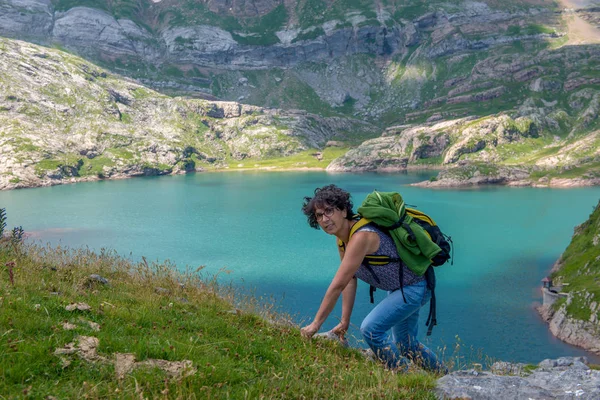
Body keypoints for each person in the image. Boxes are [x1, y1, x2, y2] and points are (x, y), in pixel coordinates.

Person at [300, 184, 444, 372]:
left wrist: (315, 325)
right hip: (402, 288)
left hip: (415, 287)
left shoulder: (361, 237)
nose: (325, 219)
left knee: (371, 329)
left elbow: (337, 285)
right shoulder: (343, 239)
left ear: (343, 211)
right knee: (406, 345)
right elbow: (349, 280)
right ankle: (444, 377)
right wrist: (344, 322)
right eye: (319, 215)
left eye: (329, 211)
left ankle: (403, 377)